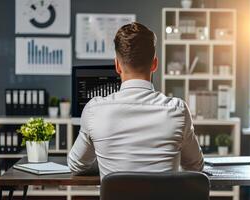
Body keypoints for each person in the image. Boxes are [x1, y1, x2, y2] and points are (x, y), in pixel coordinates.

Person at [68, 22, 204, 179]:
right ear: (154, 64)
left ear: (117, 66)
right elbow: (195, 166)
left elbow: (75, 165)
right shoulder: (178, 110)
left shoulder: (94, 110)